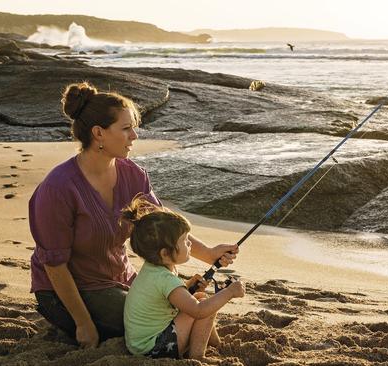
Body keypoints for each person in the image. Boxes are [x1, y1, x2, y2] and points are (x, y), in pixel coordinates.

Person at [28, 82, 238, 348]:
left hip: (122, 280)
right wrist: (84, 324)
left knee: (183, 304)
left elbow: (164, 226)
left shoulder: (133, 175)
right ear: (98, 133)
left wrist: (208, 253)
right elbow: (54, 265)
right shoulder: (58, 188)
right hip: (66, 291)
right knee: (162, 323)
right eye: (126, 128)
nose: (134, 136)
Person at [122, 196, 245, 360]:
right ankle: (197, 357)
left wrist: (187, 287)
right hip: (154, 349)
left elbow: (166, 300)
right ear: (165, 253)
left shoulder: (154, 269)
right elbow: (198, 311)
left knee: (199, 296)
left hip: (141, 345)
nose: (190, 244)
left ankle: (215, 344)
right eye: (185, 240)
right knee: (204, 306)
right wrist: (229, 292)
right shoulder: (165, 279)